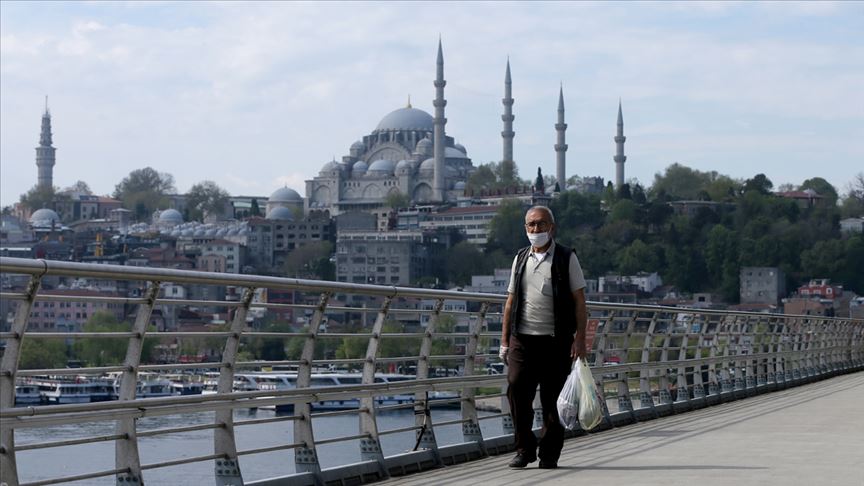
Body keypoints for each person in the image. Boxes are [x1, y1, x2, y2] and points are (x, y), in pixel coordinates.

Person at [500, 205, 587, 469]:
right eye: (531, 225)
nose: (536, 230)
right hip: (522, 339)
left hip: (555, 340)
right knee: (516, 390)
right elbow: (510, 301)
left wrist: (580, 338)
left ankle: (549, 454)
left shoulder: (565, 257)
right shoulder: (521, 258)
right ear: (525, 228)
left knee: (553, 400)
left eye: (541, 224)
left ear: (552, 226)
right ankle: (524, 449)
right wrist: (504, 340)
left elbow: (580, 301)